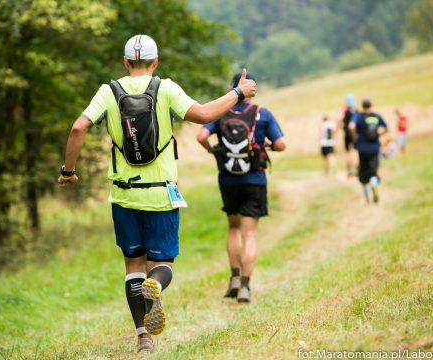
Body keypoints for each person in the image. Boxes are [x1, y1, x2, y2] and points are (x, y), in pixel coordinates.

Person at [57, 34, 256, 353]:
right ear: (156, 61)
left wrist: (68, 172)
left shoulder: (107, 92)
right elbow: (204, 114)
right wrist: (238, 92)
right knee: (162, 263)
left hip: (123, 197)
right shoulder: (166, 88)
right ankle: (157, 285)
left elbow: (78, 128)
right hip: (161, 195)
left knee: (132, 265)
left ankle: (143, 337)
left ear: (125, 62)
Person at [196, 72, 285, 303]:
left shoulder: (221, 112)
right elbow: (281, 144)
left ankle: (234, 278)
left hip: (228, 179)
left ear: (232, 89)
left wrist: (212, 150)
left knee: (233, 229)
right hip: (254, 179)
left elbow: (201, 135)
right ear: (252, 90)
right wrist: (268, 147)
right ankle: (245, 286)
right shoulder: (261, 114)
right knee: (250, 233)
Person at [349, 99, 388, 204]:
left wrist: (354, 137)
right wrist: (378, 135)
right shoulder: (376, 116)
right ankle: (374, 183)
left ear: (362, 106)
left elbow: (351, 126)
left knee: (363, 171)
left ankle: (366, 194)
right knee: (373, 170)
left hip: (362, 149)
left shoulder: (358, 116)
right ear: (371, 105)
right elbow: (386, 127)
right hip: (374, 147)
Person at [340, 94, 358, 177]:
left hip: (347, 133)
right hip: (354, 134)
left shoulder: (344, 109)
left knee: (347, 152)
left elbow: (340, 119)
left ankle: (349, 170)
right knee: (355, 151)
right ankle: (357, 169)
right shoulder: (356, 109)